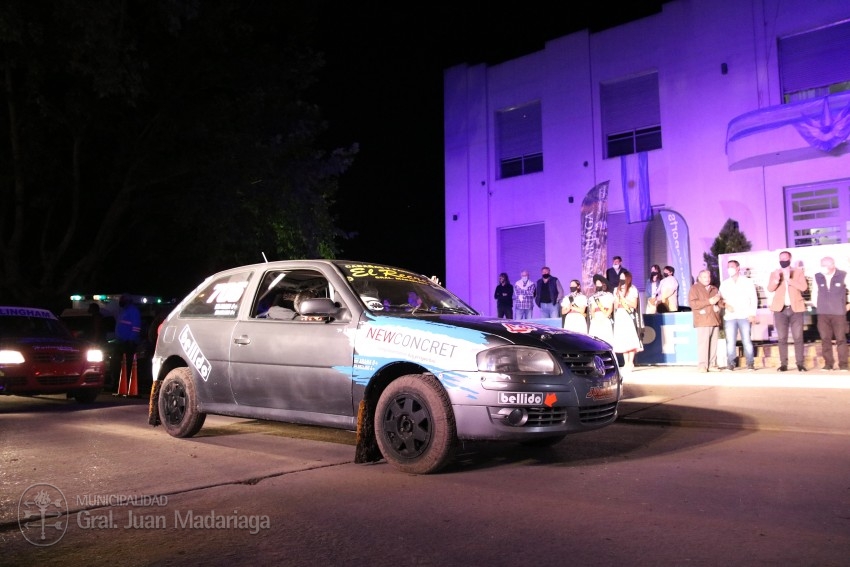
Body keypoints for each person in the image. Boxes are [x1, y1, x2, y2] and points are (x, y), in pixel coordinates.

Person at [767, 250, 808, 372]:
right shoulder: (775, 273)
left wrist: (789, 280)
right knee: (782, 338)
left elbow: (804, 287)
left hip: (796, 309)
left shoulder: (798, 272)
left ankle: (800, 364)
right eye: (781, 259)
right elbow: (770, 289)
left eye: (785, 258)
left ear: (790, 259)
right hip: (780, 310)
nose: (783, 261)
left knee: (798, 337)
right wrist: (776, 279)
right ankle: (783, 364)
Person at [810, 256, 849, 371]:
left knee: (841, 339)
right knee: (825, 339)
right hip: (823, 314)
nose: (823, 268)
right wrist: (819, 305)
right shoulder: (818, 276)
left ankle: (843, 365)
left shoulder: (843, 275)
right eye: (822, 265)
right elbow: (814, 293)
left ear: (832, 265)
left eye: (825, 265)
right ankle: (828, 364)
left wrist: (848, 305)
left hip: (839, 313)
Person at [719, 260, 758, 371]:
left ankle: (750, 363)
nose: (729, 269)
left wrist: (752, 314)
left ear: (738, 268)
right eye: (728, 267)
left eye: (732, 266)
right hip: (730, 317)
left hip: (744, 315)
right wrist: (726, 305)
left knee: (746, 340)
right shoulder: (725, 284)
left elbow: (753, 299)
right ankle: (731, 364)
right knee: (730, 342)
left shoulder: (747, 282)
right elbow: (720, 300)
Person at [689, 269, 722, 372]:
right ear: (699, 278)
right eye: (704, 277)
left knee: (713, 344)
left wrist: (719, 305)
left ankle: (712, 365)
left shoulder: (714, 289)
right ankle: (702, 365)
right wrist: (709, 301)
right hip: (703, 320)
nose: (707, 279)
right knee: (703, 344)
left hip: (714, 319)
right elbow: (693, 304)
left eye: (708, 277)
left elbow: (719, 303)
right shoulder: (694, 288)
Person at [612, 269, 642, 372]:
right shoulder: (616, 290)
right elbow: (616, 306)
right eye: (620, 278)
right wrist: (617, 298)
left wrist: (623, 298)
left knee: (630, 338)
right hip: (620, 315)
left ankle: (630, 362)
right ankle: (625, 363)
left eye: (623, 277)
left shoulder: (632, 289)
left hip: (628, 315)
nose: (621, 279)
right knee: (622, 338)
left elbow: (634, 305)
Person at [114, 294, 142, 388]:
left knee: (127, 364)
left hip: (128, 343)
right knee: (119, 363)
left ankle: (126, 383)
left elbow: (136, 327)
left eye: (122, 300)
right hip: (121, 342)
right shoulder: (123, 311)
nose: (120, 301)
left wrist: (131, 339)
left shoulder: (133, 311)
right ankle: (119, 383)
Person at [588, 274, 614, 345]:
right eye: (596, 284)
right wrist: (594, 318)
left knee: (605, 338)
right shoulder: (593, 297)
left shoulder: (609, 295)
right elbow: (592, 309)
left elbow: (610, 308)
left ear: (603, 284)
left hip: (605, 317)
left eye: (599, 283)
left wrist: (604, 318)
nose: (597, 285)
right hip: (596, 318)